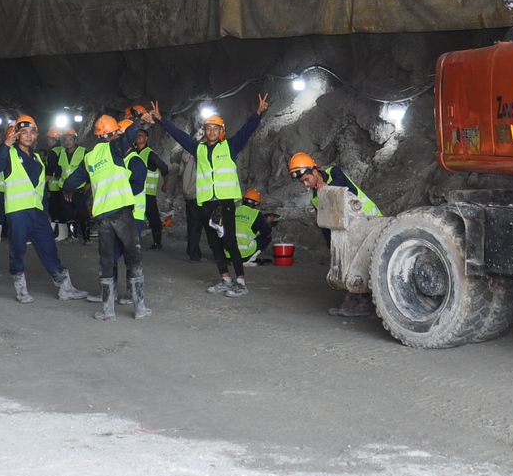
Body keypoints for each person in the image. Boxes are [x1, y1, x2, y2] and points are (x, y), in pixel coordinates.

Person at [143, 93, 268, 296]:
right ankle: (225, 279)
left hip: (225, 202)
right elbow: (179, 135)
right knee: (213, 242)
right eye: (208, 128)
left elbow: (247, 131)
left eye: (215, 128)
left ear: (221, 131)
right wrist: (161, 120)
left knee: (229, 242)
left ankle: (241, 283)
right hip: (205, 204)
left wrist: (258, 114)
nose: (211, 131)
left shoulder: (230, 146)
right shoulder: (197, 148)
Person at [67, 113, 151, 319]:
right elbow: (129, 135)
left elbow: (70, 181)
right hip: (121, 211)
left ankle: (107, 310)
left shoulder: (89, 157)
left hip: (102, 215)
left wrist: (67, 190)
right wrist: (140, 122)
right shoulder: (115, 148)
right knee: (133, 255)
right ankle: (139, 308)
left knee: (106, 260)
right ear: (114, 134)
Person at [0, 116, 88, 304]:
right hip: (18, 212)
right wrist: (5, 145)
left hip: (37, 213)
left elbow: (41, 188)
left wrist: (46, 212)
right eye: (24, 132)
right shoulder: (9, 155)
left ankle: (65, 288)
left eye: (32, 132)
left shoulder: (38, 158)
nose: (28, 136)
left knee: (49, 248)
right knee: (18, 249)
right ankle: (21, 288)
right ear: (16, 134)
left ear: (36, 135)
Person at [289, 152, 380, 316]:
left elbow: (344, 187)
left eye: (306, 179)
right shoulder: (315, 196)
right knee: (349, 264)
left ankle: (363, 303)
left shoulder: (334, 173)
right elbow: (325, 222)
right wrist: (332, 245)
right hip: (348, 230)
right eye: (302, 182)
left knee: (364, 263)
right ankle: (354, 301)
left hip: (370, 221)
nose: (306, 185)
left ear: (315, 172)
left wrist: (327, 188)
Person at [128, 125, 165, 249]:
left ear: (147, 138)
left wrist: (166, 183)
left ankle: (157, 242)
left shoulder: (149, 154)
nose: (139, 136)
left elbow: (163, 167)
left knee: (152, 215)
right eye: (137, 134)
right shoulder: (134, 153)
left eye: (142, 135)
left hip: (148, 192)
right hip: (136, 191)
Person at [52, 130, 89, 242]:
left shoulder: (84, 152)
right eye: (65, 140)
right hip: (65, 191)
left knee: (82, 213)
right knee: (68, 213)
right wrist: (64, 187)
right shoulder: (62, 153)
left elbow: (90, 171)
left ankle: (85, 238)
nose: (68, 142)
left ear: (75, 140)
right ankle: (73, 236)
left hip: (79, 189)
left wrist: (87, 187)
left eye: (70, 139)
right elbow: (58, 172)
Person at [235, 188, 266, 265]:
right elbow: (266, 231)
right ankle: (248, 259)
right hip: (244, 254)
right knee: (267, 237)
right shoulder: (256, 214)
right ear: (257, 204)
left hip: (230, 254)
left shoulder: (235, 210)